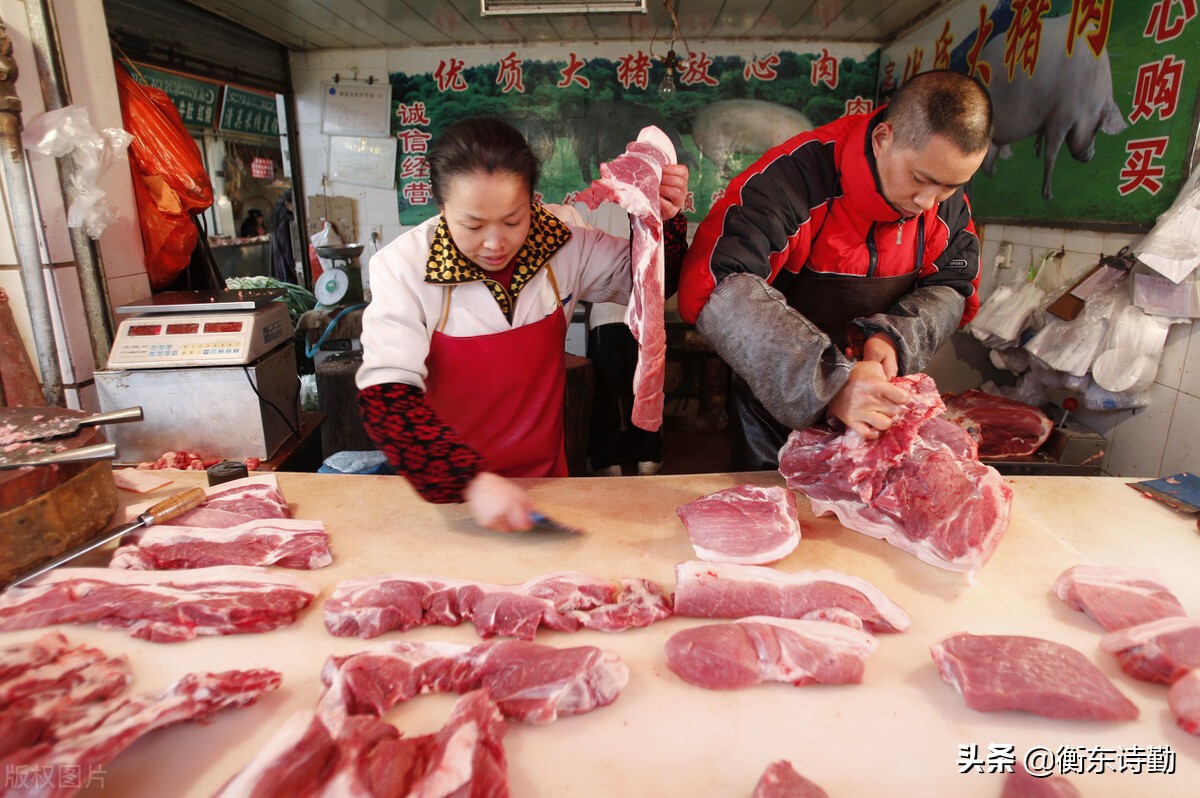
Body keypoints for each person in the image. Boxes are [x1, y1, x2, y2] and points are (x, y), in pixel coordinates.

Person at [357, 117, 690, 532]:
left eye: (513, 221)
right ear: (441, 209)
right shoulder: (402, 267)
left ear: (532, 199)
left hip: (546, 488)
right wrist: (470, 483)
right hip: (450, 499)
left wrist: (667, 220)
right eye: (473, 225)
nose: (495, 243)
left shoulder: (563, 239)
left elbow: (655, 283)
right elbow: (387, 397)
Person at [676, 70, 993, 471]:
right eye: (919, 179)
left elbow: (954, 284)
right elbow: (715, 284)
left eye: (950, 187)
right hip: (778, 407)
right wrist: (829, 382)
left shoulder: (943, 203)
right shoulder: (793, 178)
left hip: (874, 414)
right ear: (883, 139)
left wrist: (893, 337)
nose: (929, 202)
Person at [576, 202, 687, 477]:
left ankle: (607, 462)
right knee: (644, 392)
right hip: (644, 316)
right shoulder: (645, 205)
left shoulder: (588, 207)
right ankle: (648, 458)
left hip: (605, 318)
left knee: (606, 394)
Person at [269, 190, 296, 283]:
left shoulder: (278, 221)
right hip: (288, 276)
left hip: (281, 276)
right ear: (287, 204)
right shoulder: (286, 223)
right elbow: (289, 253)